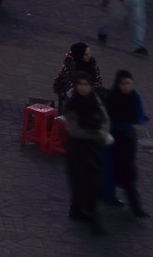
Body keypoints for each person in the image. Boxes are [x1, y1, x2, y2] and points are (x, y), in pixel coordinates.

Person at [60, 73, 111, 233]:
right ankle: (91, 216)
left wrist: (103, 129)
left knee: (93, 181)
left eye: (86, 84)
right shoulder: (72, 104)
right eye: (80, 84)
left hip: (93, 148)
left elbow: (105, 118)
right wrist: (96, 134)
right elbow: (75, 131)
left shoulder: (94, 99)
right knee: (81, 182)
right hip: (77, 149)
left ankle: (79, 211)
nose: (83, 88)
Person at [104, 71, 149, 218]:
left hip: (128, 143)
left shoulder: (134, 97)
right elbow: (112, 123)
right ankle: (113, 199)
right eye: (123, 83)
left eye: (128, 83)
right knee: (114, 173)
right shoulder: (112, 99)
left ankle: (135, 207)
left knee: (127, 175)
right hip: (114, 142)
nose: (125, 86)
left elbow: (140, 114)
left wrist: (138, 123)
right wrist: (130, 127)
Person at [53, 42, 103, 108]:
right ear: (79, 55)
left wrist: (91, 89)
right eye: (86, 54)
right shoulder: (70, 63)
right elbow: (68, 82)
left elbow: (98, 79)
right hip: (70, 88)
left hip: (90, 88)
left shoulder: (92, 62)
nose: (89, 56)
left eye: (89, 53)